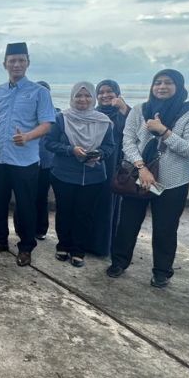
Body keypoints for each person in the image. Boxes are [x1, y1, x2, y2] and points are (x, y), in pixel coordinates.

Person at [108, 69, 189, 287]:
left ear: (179, 86)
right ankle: (119, 261)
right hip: (140, 177)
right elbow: (128, 141)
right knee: (127, 223)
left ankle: (162, 271)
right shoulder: (140, 110)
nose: (162, 87)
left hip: (172, 182)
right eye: (158, 83)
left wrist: (164, 132)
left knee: (165, 228)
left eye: (168, 83)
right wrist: (141, 167)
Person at [0, 43, 56, 266]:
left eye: (21, 60)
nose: (16, 64)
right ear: (4, 64)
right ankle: (0, 240)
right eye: (12, 60)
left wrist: (27, 136)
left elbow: (47, 124)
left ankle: (25, 246)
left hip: (25, 161)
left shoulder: (39, 92)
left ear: (28, 63)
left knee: (25, 205)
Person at [42, 83, 115, 267]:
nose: (83, 99)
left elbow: (110, 146)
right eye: (78, 96)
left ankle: (78, 249)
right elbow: (49, 143)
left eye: (87, 96)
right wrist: (70, 149)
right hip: (63, 175)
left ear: (93, 98)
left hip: (93, 176)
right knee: (64, 211)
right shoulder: (61, 118)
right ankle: (63, 245)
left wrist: (100, 153)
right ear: (72, 97)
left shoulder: (103, 121)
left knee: (85, 214)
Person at [87, 79, 131, 256]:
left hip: (113, 164)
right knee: (91, 204)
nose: (105, 95)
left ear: (117, 94)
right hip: (93, 163)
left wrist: (123, 109)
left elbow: (135, 133)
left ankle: (103, 245)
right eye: (101, 92)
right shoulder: (94, 113)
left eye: (109, 92)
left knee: (107, 205)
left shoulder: (125, 113)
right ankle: (87, 242)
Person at [33, 81, 57, 241]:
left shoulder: (57, 114)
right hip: (27, 161)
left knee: (41, 196)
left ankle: (41, 229)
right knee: (26, 196)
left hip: (47, 162)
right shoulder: (28, 112)